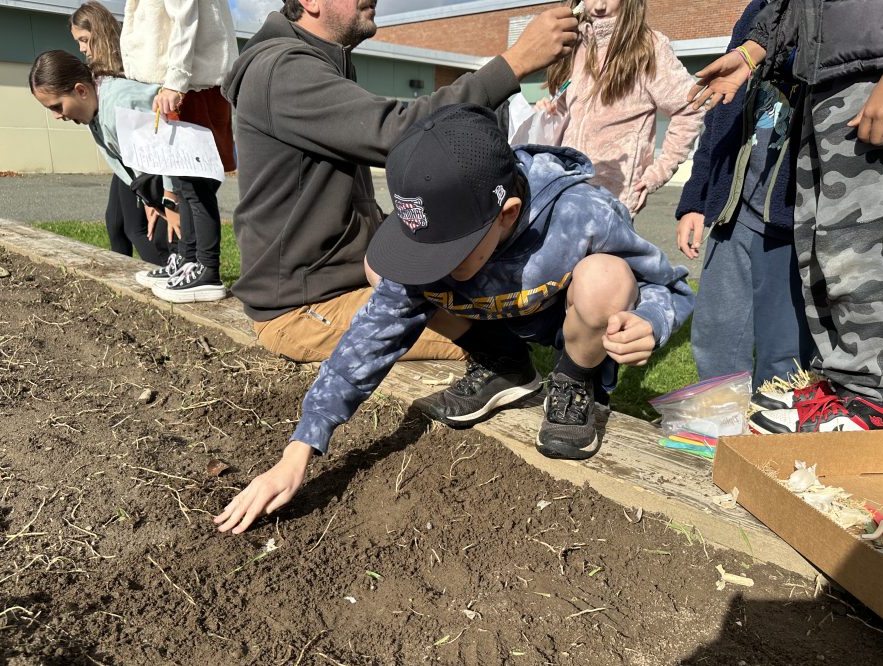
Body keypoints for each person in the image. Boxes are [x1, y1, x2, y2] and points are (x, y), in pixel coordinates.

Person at [213, 105, 694, 534]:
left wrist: (651, 320)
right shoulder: (439, 240)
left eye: (451, 249)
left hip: (567, 327)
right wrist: (299, 450)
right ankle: (504, 366)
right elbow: (370, 339)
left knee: (606, 277)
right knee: (386, 274)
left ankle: (572, 382)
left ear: (508, 214)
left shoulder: (583, 213)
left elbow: (667, 287)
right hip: (491, 319)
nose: (434, 263)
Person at [221, 1, 580, 363]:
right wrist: (515, 63)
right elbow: (402, 133)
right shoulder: (282, 69)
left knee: (500, 314)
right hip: (305, 307)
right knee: (493, 351)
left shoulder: (320, 64)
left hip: (349, 283)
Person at [689, 0, 883, 433]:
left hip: (879, 69)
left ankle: (868, 399)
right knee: (824, 245)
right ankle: (840, 383)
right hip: (825, 77)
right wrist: (752, 52)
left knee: (861, 242)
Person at [675, 0, 813, 390]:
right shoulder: (755, 13)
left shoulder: (834, 16)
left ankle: (771, 440)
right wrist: (696, 201)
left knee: (784, 353)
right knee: (716, 337)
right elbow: (718, 116)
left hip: (788, 223)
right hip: (730, 213)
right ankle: (720, 430)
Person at [28, 48, 195, 278]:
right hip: (162, 187)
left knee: (174, 237)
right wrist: (148, 198)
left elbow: (167, 143)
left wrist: (170, 200)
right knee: (158, 236)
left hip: (182, 182)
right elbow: (128, 161)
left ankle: (189, 276)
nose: (57, 115)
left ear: (81, 90)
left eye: (57, 106)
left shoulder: (121, 103)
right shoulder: (94, 114)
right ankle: (175, 273)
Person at [120, 0, 239, 302]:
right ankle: (188, 261)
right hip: (187, 81)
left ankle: (207, 270)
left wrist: (176, 80)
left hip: (192, 82)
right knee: (185, 182)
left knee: (196, 182)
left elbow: (185, 16)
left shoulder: (184, 81)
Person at [538, 0, 703, 216]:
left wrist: (658, 172)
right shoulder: (573, 45)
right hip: (565, 190)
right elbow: (565, 113)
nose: (599, 6)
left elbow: (690, 108)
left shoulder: (648, 46)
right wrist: (550, 111)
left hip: (613, 199)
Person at [68, 1, 172, 269]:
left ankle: (164, 269)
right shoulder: (97, 70)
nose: (81, 48)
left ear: (99, 33)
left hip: (141, 157)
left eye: (84, 39)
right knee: (115, 223)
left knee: (135, 228)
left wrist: (149, 193)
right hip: (124, 158)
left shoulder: (129, 64)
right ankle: (123, 275)